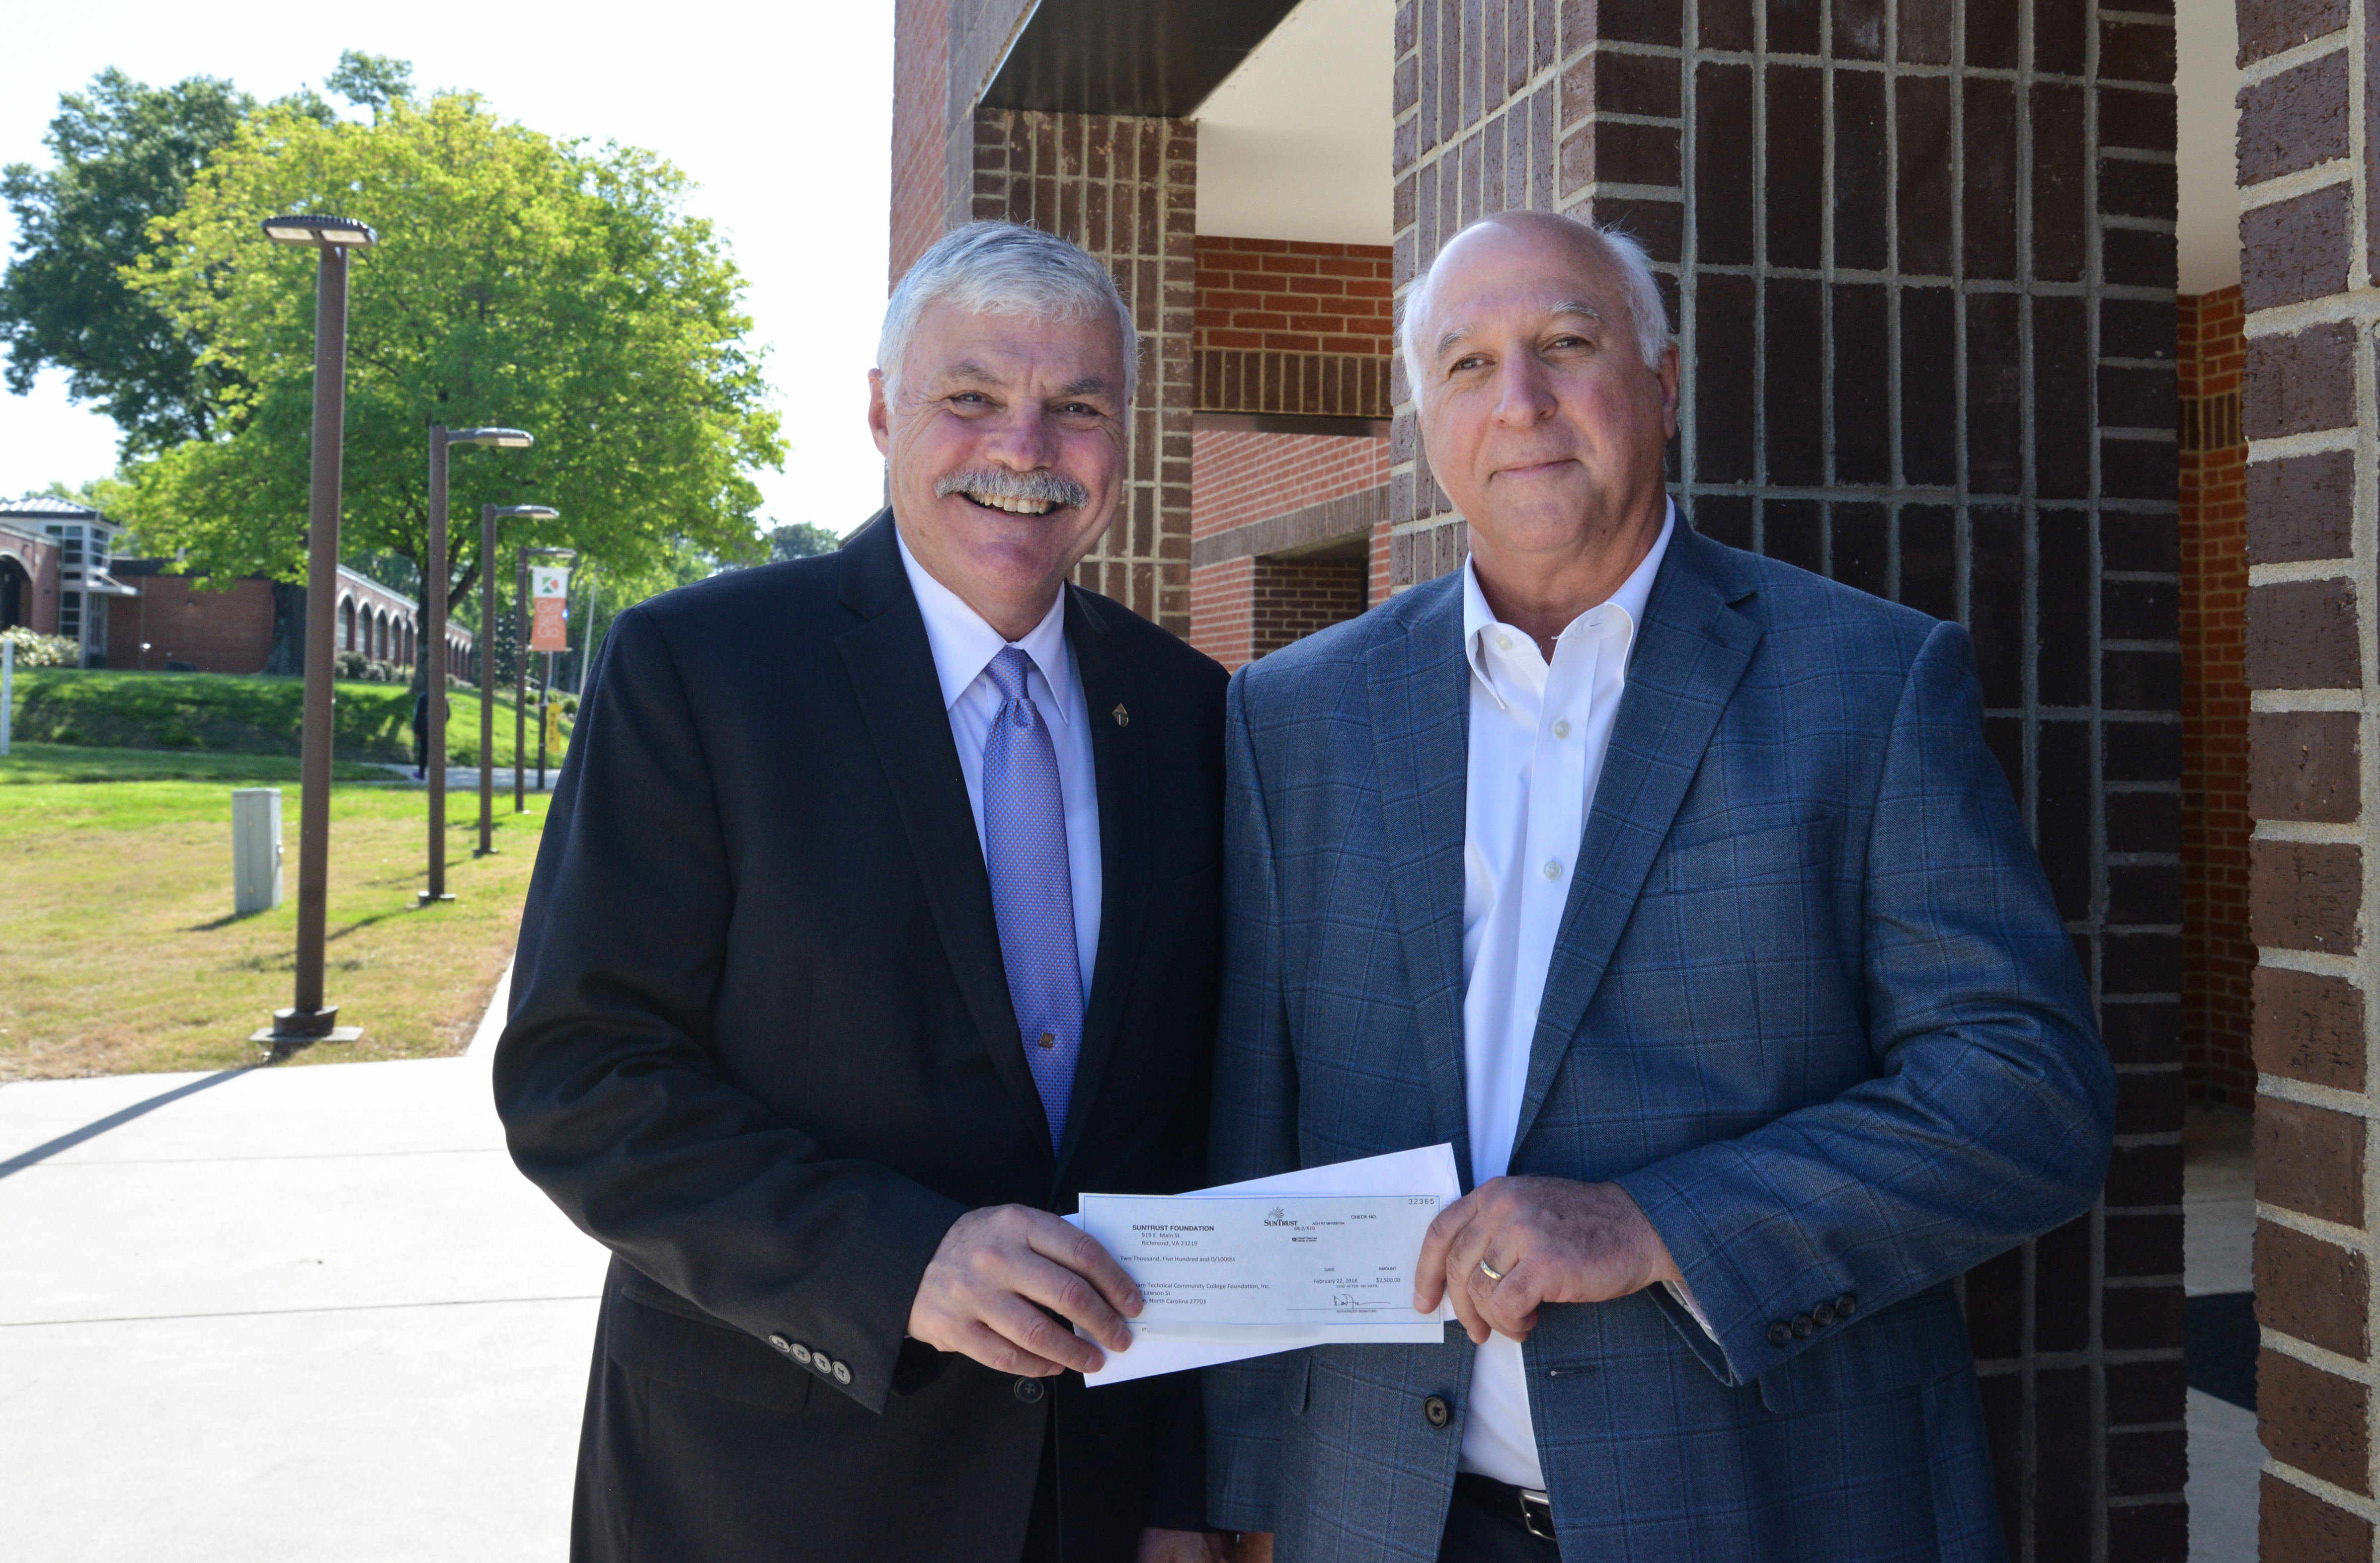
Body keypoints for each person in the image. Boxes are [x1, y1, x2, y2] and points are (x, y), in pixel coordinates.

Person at [1204, 210, 2114, 1562]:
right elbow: (1256, 1127)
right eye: (1467, 365)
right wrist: (1233, 1497)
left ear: (1662, 381)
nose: (1520, 402)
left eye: (1566, 344)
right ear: (1423, 417)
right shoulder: (1295, 715)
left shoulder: (1866, 682)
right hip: (1385, 1517)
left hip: (1767, 1505)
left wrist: (1652, 1223)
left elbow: (2028, 1094)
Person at [495, 221, 1232, 1563]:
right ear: (885, 409)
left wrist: (1182, 1479)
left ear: (1123, 441)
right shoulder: (701, 670)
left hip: (1092, 1499)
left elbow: (1202, 1124)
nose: (1025, 448)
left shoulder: (1188, 712)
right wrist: (899, 1260)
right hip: (767, 1490)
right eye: (971, 398)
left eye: (1077, 407)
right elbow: (580, 1076)